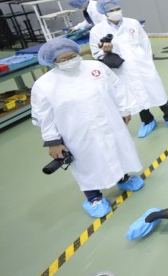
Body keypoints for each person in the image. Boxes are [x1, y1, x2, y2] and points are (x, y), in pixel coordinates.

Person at [32, 38, 145, 218]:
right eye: (63, 60)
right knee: (87, 164)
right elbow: (44, 116)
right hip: (77, 133)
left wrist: (124, 109)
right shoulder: (44, 85)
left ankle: (123, 178)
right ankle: (94, 197)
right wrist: (52, 142)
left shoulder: (96, 68)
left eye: (72, 56)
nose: (70, 60)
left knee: (118, 150)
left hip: (109, 122)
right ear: (52, 62)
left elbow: (116, 88)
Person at [89, 0, 168, 138]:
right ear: (105, 13)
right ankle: (147, 120)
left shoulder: (133, 23)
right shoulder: (97, 30)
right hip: (122, 69)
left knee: (156, 89)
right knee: (135, 94)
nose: (116, 12)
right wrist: (106, 50)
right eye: (111, 10)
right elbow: (95, 52)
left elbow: (145, 43)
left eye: (117, 8)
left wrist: (147, 61)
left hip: (142, 64)